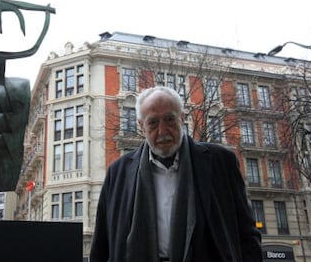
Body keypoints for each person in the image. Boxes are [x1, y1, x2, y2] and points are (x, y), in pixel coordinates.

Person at [90, 86, 262, 262]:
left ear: (182, 119)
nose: (163, 131)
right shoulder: (118, 172)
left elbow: (247, 235)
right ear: (141, 126)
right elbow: (101, 245)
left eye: (169, 119)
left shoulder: (221, 162)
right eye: (153, 122)